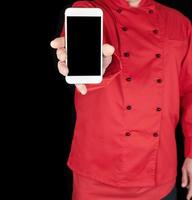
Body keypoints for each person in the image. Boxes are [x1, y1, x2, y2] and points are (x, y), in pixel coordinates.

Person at [50, 0, 192, 199]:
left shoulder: (179, 23)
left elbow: (190, 91)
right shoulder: (87, 9)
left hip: (159, 176)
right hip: (96, 177)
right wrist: (99, 67)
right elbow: (88, 69)